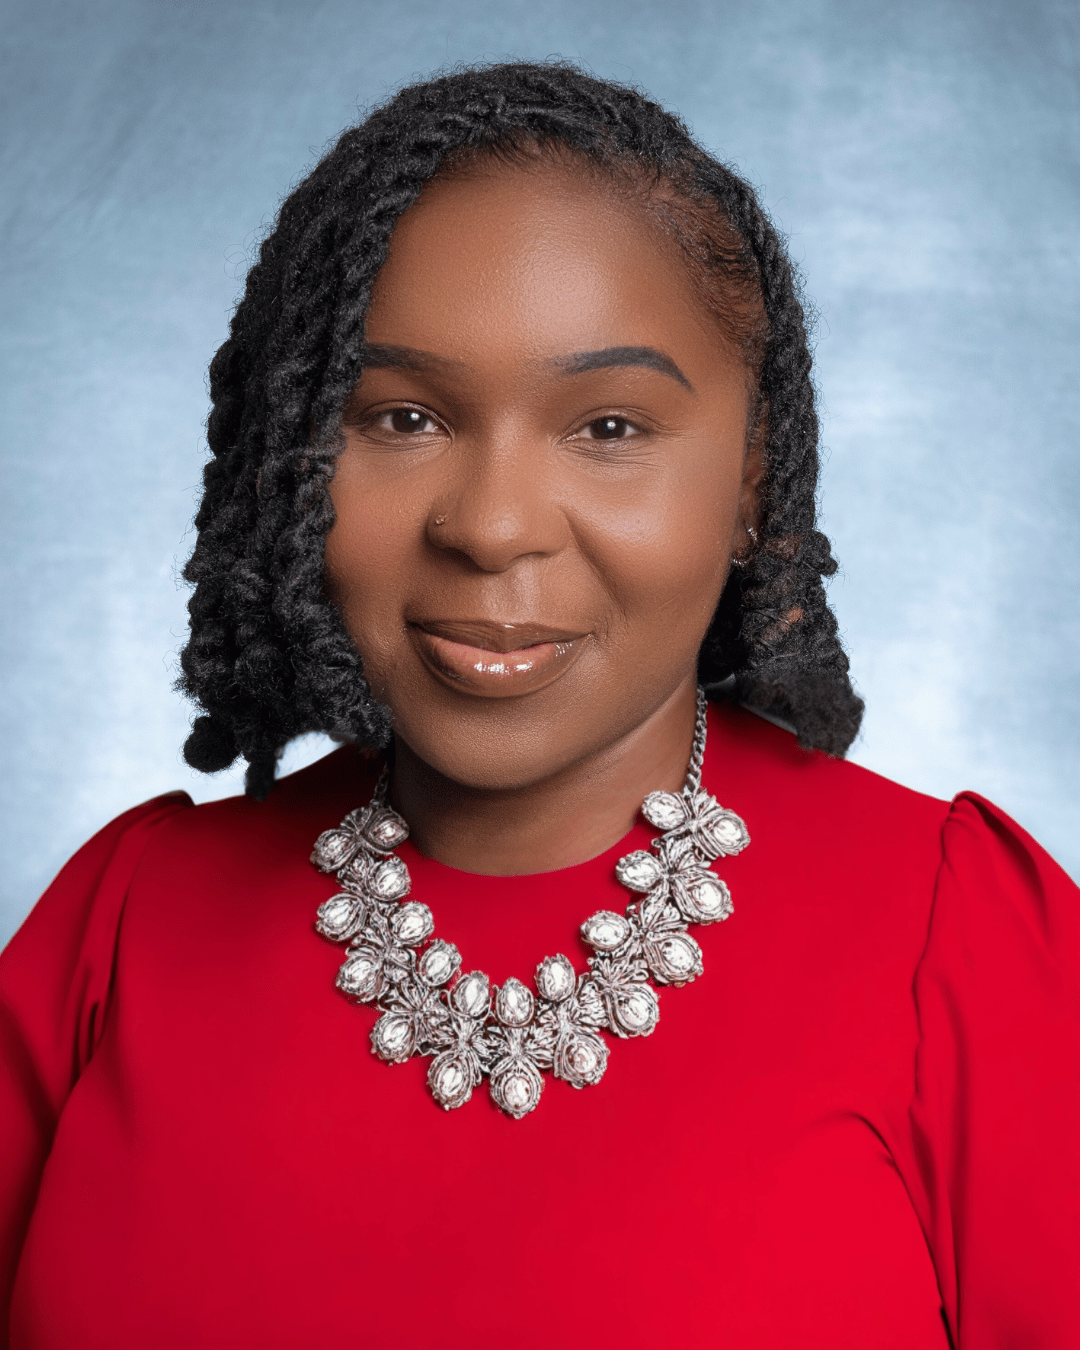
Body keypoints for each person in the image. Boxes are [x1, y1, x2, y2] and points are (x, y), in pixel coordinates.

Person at [1, 60, 1077, 1349]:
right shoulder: (119, 933)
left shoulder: (962, 947)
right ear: (297, 455)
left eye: (610, 427)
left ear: (751, 478)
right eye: (403, 416)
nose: (492, 526)